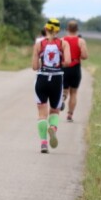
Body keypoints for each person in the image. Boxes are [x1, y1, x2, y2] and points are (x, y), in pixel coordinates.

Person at [32, 18, 71, 153]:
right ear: (58, 30)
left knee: (42, 113)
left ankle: (43, 143)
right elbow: (68, 62)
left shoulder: (38, 44)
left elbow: (34, 66)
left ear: (46, 29)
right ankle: (53, 129)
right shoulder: (63, 43)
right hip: (57, 80)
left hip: (41, 80)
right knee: (55, 111)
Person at [61, 20, 89, 122]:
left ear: (67, 29)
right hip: (75, 67)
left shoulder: (62, 39)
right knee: (73, 93)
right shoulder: (81, 41)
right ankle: (70, 115)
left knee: (64, 90)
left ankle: (62, 98)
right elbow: (85, 56)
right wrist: (78, 55)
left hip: (64, 66)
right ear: (77, 29)